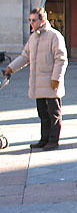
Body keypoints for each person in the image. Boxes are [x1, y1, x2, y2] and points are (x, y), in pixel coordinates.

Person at [3, 8, 68, 151]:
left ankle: (53, 140)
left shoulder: (54, 36)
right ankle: (44, 139)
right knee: (43, 113)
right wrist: (11, 68)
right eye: (30, 20)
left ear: (42, 20)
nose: (31, 23)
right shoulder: (33, 38)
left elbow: (61, 59)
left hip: (51, 84)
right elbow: (25, 56)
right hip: (38, 84)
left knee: (54, 114)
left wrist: (56, 79)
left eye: (34, 20)